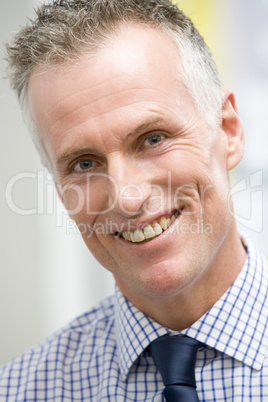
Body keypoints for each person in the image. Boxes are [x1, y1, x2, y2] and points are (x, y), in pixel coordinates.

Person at [0, 0, 267, 400]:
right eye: (84, 162)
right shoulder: (22, 391)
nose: (127, 197)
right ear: (59, 188)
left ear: (228, 130)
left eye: (153, 138)